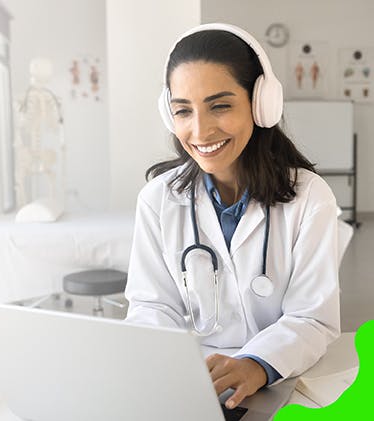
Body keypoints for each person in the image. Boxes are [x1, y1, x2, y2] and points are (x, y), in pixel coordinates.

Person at [124, 23, 340, 410]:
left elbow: (313, 318)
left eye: (220, 106)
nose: (201, 130)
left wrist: (255, 364)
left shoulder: (310, 198)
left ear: (261, 105)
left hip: (279, 380)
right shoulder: (158, 199)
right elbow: (151, 306)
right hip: (192, 385)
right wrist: (160, 367)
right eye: (183, 111)